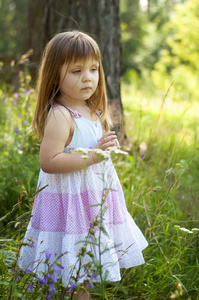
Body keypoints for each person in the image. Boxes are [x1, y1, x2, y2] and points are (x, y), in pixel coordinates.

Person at [18, 31, 148, 299]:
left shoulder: (93, 109)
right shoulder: (61, 115)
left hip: (92, 201)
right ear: (55, 75)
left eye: (93, 69)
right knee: (74, 265)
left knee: (86, 265)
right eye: (77, 71)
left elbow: (96, 153)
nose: (88, 77)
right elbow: (49, 162)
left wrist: (105, 147)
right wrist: (94, 155)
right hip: (69, 204)